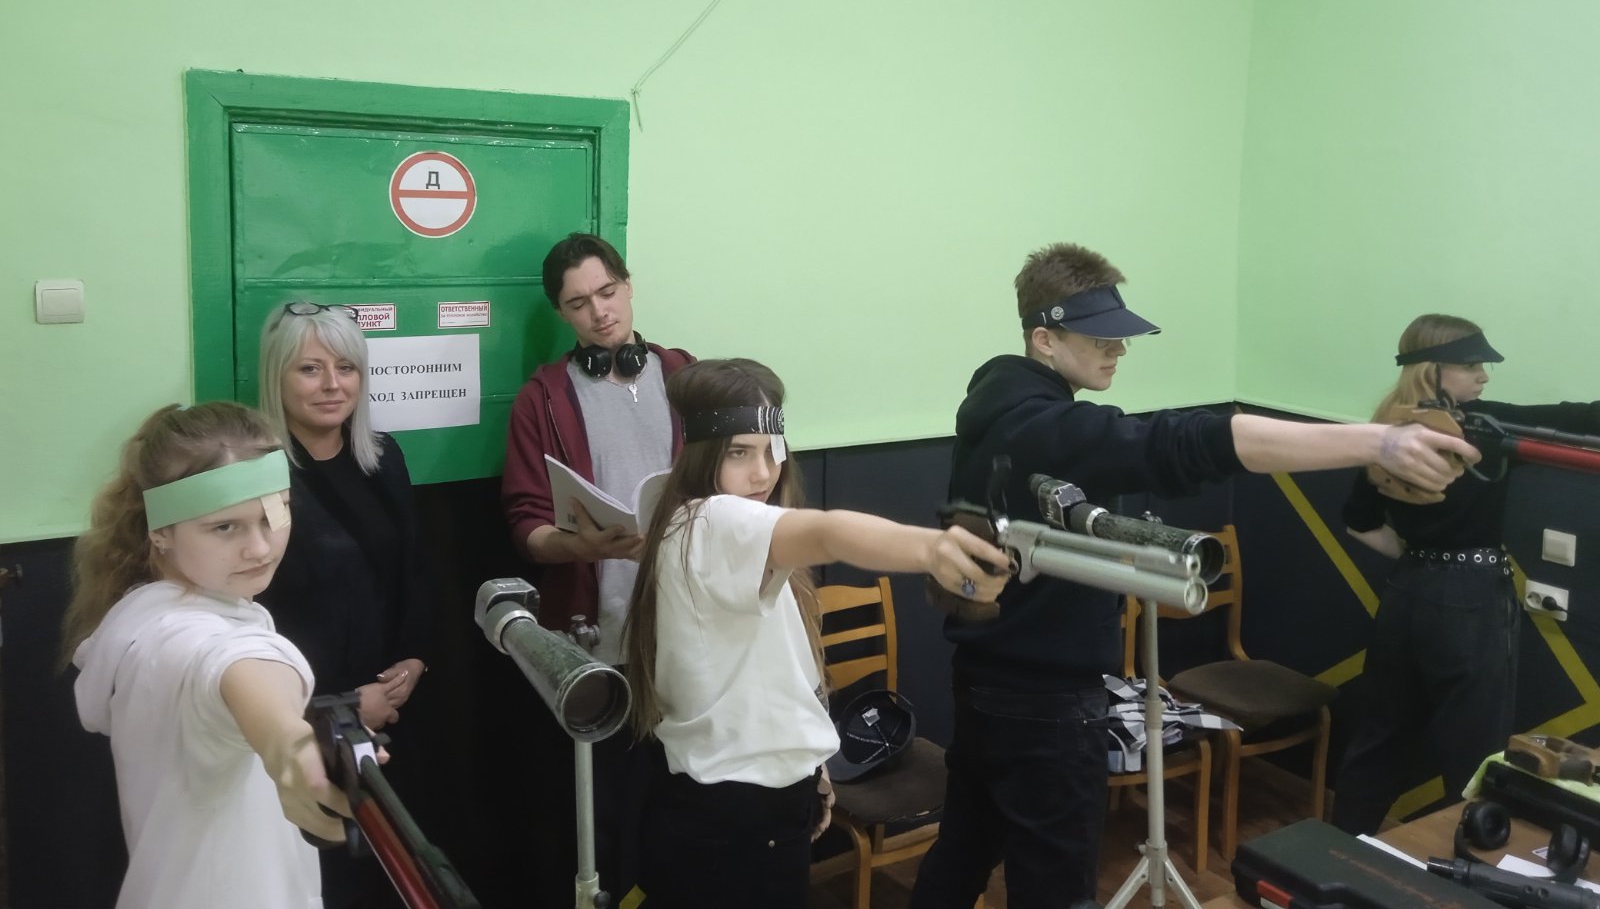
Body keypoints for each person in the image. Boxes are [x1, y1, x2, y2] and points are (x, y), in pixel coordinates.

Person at [907, 243, 1481, 909]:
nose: (1118, 351)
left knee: (962, 851)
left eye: (1122, 338)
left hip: (985, 678)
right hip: (1044, 700)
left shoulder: (998, 405)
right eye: (1100, 339)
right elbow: (1182, 443)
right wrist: (1377, 441)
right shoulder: (1044, 425)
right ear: (1044, 339)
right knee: (1053, 886)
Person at [623, 358, 1012, 909]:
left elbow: (775, 673)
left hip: (746, 804)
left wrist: (812, 768)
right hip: (733, 818)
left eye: (771, 450)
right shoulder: (711, 522)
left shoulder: (682, 515)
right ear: (703, 454)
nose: (763, 473)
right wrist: (932, 549)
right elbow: (830, 533)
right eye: (739, 453)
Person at [63, 402, 349, 909]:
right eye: (225, 527)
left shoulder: (143, 615)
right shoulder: (175, 638)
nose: (260, 548)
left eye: (274, 513)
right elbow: (226, 664)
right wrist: (288, 742)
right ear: (161, 532)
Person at [1331, 314, 1600, 835]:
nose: (1483, 376)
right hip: (1471, 600)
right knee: (1475, 751)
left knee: (1380, 737)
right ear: (1433, 370)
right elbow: (1580, 417)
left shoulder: (1385, 431)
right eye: (1471, 365)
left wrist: (1417, 555)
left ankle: (1336, 854)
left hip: (1407, 591)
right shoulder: (1483, 426)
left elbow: (1358, 523)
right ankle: (1467, 863)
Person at [500, 233, 694, 901]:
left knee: (688, 803)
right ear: (562, 314)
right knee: (609, 820)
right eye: (579, 303)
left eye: (607, 292)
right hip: (600, 639)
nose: (599, 312)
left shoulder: (685, 374)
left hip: (688, 628)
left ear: (628, 285)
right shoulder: (543, 398)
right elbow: (526, 526)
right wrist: (580, 547)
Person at [254, 301, 432, 908]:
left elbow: (412, 570)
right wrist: (344, 707)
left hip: (394, 716)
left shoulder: (383, 456)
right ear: (277, 377)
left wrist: (415, 658)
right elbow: (259, 622)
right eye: (310, 369)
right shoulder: (257, 478)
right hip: (302, 723)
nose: (332, 384)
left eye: (346, 368)